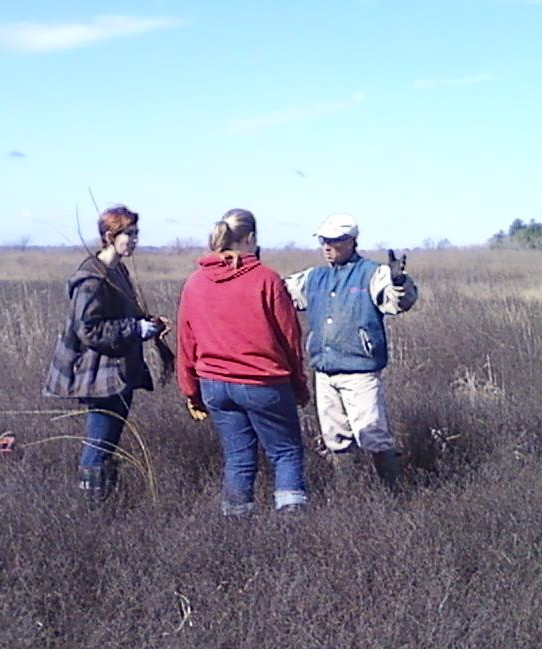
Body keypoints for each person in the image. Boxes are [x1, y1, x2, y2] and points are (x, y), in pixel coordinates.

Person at [176, 208, 310, 515]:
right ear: (251, 238)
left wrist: (191, 392)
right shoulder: (266, 279)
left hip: (214, 386)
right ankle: (295, 528)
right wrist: (299, 386)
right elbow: (290, 338)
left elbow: (186, 342)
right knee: (286, 453)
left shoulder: (195, 282)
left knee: (238, 458)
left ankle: (237, 532)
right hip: (263, 383)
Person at [283, 212, 419, 490]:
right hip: (324, 370)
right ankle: (350, 496)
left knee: (373, 435)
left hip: (361, 371)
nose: (327, 247)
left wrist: (400, 283)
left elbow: (398, 303)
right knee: (335, 437)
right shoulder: (313, 277)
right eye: (324, 240)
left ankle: (396, 496)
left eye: (334, 241)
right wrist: (254, 272)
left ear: (352, 241)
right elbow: (279, 293)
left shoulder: (374, 273)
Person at [43, 205, 168, 505]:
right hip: (99, 377)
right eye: (129, 234)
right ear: (110, 236)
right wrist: (134, 329)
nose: (135, 239)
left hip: (120, 374)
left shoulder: (117, 271)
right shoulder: (91, 279)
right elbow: (90, 331)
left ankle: (107, 505)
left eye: (136, 233)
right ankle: (92, 510)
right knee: (99, 444)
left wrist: (148, 324)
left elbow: (123, 316)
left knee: (109, 443)